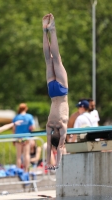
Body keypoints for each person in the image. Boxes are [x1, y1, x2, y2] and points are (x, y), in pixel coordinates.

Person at [43, 13, 69, 170]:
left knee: (56, 58)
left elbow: (59, 147)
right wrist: (48, 162)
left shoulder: (62, 125)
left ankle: (52, 30)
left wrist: (57, 164)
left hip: (61, 91)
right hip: (52, 93)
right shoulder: (49, 126)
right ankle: (44, 31)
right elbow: (49, 146)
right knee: (48, 59)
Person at [12, 103, 35, 172]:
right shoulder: (29, 116)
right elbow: (33, 127)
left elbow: (14, 129)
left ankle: (18, 170)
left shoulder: (16, 117)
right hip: (26, 137)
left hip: (18, 137)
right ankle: (26, 170)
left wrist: (13, 139)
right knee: (26, 155)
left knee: (18, 155)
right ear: (26, 108)